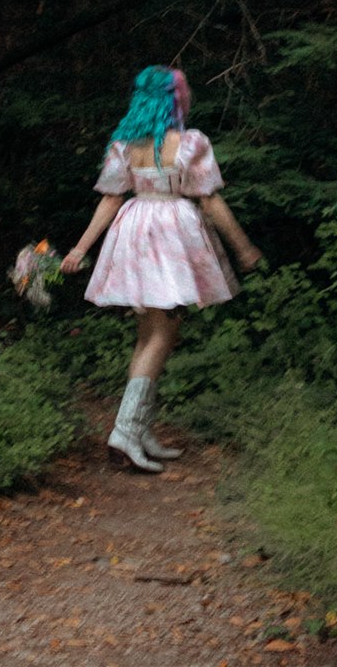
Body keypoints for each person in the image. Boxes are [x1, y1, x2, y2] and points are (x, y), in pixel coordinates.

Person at [60, 64, 262, 472]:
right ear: (175, 100)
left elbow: (111, 198)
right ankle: (124, 432)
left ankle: (140, 430)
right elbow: (209, 200)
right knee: (162, 334)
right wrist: (243, 247)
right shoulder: (189, 143)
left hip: (134, 231)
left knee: (150, 335)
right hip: (172, 236)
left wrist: (82, 248)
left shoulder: (125, 145)